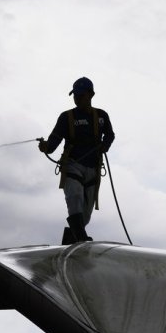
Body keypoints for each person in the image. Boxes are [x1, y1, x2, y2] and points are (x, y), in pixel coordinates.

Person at [38, 77, 115, 243]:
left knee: (85, 215)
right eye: (75, 95)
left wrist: (105, 145)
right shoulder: (66, 117)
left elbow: (110, 135)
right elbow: (52, 144)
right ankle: (80, 238)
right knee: (75, 196)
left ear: (91, 95)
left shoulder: (102, 116)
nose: (77, 98)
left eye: (81, 95)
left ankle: (72, 239)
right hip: (73, 165)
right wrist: (45, 146)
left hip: (93, 169)